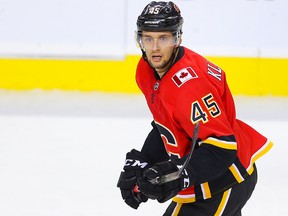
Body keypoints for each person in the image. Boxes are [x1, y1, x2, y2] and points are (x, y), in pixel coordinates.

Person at [117, 1, 273, 215]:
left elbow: (222, 148)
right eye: (148, 38)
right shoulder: (146, 70)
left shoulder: (190, 86)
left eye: (163, 38)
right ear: (139, 39)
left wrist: (177, 175)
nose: (154, 48)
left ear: (177, 38)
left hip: (226, 179)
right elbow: (169, 125)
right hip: (208, 177)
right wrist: (145, 161)